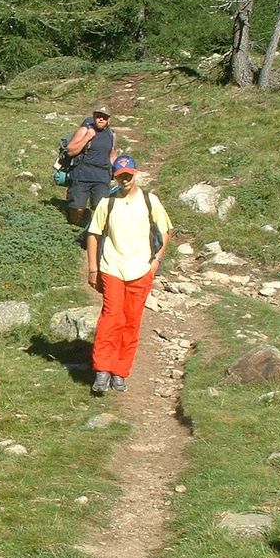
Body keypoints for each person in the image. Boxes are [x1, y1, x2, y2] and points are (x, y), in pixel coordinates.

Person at [86, 154, 173, 395]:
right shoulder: (107, 202)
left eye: (128, 175)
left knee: (131, 321)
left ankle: (120, 372)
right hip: (112, 268)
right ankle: (102, 370)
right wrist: (93, 269)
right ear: (114, 176)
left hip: (141, 270)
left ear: (135, 174)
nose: (124, 179)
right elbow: (93, 235)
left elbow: (166, 231)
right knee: (111, 318)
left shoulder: (149, 200)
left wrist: (156, 261)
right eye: (120, 175)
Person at [65, 106, 117, 225]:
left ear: (109, 120)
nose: (101, 119)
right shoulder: (84, 130)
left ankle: (95, 234)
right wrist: (87, 137)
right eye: (98, 116)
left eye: (104, 117)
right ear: (94, 117)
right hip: (82, 175)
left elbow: (113, 155)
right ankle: (73, 229)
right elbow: (70, 151)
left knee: (101, 208)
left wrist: (118, 172)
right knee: (77, 209)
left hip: (102, 177)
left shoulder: (111, 134)